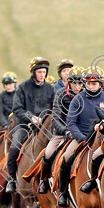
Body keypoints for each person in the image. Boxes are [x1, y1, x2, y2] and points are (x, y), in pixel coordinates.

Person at [55, 66, 104, 206]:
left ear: (100, 84)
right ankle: (63, 193)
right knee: (66, 158)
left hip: (103, 138)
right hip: (81, 138)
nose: (91, 86)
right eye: (89, 83)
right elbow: (71, 122)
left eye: (94, 84)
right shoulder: (77, 99)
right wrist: (81, 138)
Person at [5, 57, 55, 193]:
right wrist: (31, 117)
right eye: (39, 72)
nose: (42, 75)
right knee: (15, 146)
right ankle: (11, 180)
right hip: (24, 125)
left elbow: (55, 109)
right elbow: (17, 108)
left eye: (44, 72)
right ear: (33, 72)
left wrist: (45, 120)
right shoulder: (22, 87)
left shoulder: (51, 89)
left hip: (45, 126)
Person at [37, 65, 85, 194]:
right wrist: (65, 131)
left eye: (81, 83)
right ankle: (43, 179)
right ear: (69, 82)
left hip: (81, 134)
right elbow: (55, 118)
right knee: (48, 153)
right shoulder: (60, 94)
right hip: (61, 133)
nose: (78, 86)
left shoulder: (85, 96)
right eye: (75, 83)